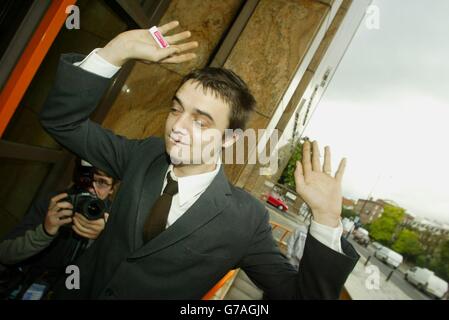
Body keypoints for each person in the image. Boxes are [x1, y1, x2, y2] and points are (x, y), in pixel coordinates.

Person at [39, 21, 359, 299]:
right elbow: (62, 122)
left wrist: (326, 221)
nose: (177, 127)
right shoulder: (144, 155)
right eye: (177, 109)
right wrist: (115, 51)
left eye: (201, 121)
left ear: (229, 138)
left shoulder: (245, 219)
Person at [0, 159, 116, 299]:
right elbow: (4, 254)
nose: (92, 188)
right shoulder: (54, 203)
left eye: (102, 182)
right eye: (86, 179)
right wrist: (44, 232)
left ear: (112, 189)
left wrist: (102, 239)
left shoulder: (114, 220)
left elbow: (109, 283)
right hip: (26, 282)